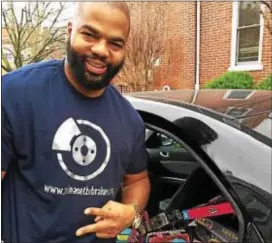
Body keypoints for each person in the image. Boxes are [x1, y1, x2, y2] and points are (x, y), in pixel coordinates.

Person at [1, 2, 150, 243]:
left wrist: (130, 212)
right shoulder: (14, 94)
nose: (102, 50)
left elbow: (137, 180)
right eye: (90, 35)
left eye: (115, 43)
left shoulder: (129, 119)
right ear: (70, 32)